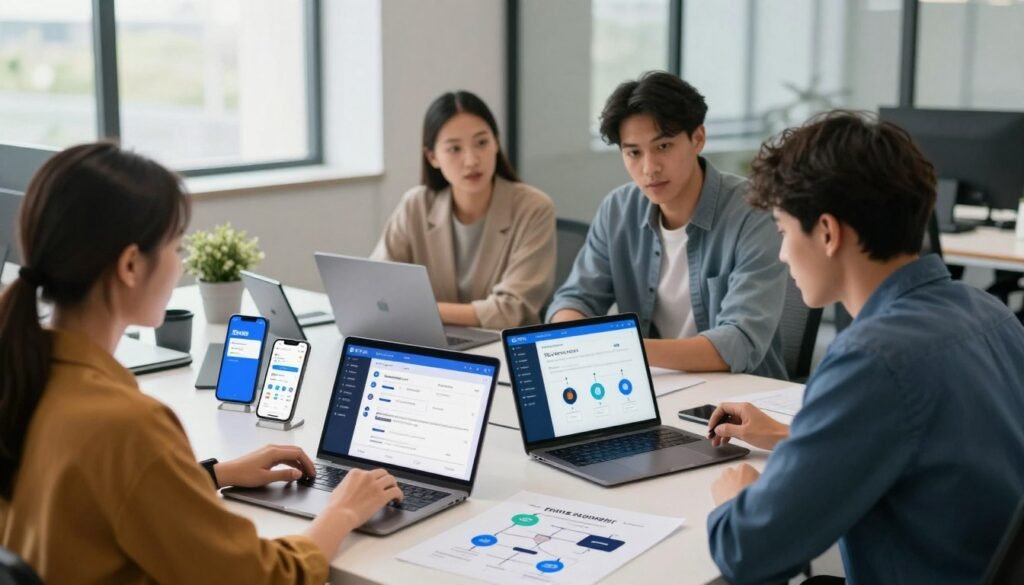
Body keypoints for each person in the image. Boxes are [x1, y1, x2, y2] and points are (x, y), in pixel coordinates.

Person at [0, 143, 403, 584]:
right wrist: (341, 511)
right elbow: (261, 578)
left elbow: (88, 496)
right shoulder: (127, 426)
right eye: (176, 247)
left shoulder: (23, 376)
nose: (180, 265)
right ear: (131, 265)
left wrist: (212, 474)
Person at [705, 111, 1024, 584]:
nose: (782, 253)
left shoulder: (872, 358)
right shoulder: (990, 314)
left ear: (828, 232)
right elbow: (933, 454)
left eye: (782, 230)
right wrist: (790, 438)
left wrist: (736, 498)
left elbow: (747, 552)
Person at [546, 71, 787, 379]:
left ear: (697, 138)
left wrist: (621, 349)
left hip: (739, 401)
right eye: (634, 152)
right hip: (651, 387)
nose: (649, 168)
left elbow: (739, 342)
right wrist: (568, 335)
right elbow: (576, 297)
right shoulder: (618, 210)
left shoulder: (752, 212)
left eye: (663, 147)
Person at [372, 90, 555, 329]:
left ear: (496, 143)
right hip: (431, 343)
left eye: (481, 142)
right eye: (454, 149)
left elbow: (510, 311)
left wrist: (420, 309)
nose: (471, 160)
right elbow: (377, 289)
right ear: (432, 157)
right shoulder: (415, 205)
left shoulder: (533, 208)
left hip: (504, 346)